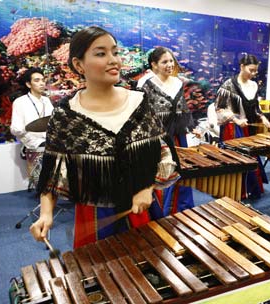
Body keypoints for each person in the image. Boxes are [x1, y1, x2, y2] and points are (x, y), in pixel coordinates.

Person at [30, 26, 180, 248]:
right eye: (101, 54)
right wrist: (45, 214)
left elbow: (164, 153)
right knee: (99, 276)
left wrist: (147, 187)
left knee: (152, 273)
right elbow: (52, 174)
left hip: (142, 209)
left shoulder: (140, 102)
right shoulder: (65, 114)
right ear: (78, 65)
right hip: (94, 215)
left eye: (115, 52)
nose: (114, 60)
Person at [137, 47, 195, 215]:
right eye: (164, 62)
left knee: (181, 172)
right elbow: (141, 115)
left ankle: (182, 207)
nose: (170, 65)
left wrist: (190, 129)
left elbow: (181, 109)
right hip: (157, 139)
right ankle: (162, 212)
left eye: (171, 61)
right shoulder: (145, 84)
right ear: (154, 65)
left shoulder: (177, 82)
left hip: (177, 137)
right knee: (162, 173)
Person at [215, 53, 270, 199]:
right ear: (241, 67)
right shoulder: (228, 85)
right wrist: (235, 119)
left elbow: (256, 108)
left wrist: (263, 117)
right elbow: (219, 108)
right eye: (251, 70)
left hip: (248, 128)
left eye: (255, 71)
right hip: (232, 128)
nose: (253, 74)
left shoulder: (253, 85)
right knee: (238, 159)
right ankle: (234, 191)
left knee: (251, 157)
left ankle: (251, 189)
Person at [10, 67, 54, 151]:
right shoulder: (20, 102)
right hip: (32, 143)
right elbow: (15, 129)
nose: (41, 83)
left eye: (43, 80)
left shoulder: (46, 100)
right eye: (37, 80)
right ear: (28, 84)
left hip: (49, 141)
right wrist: (30, 128)